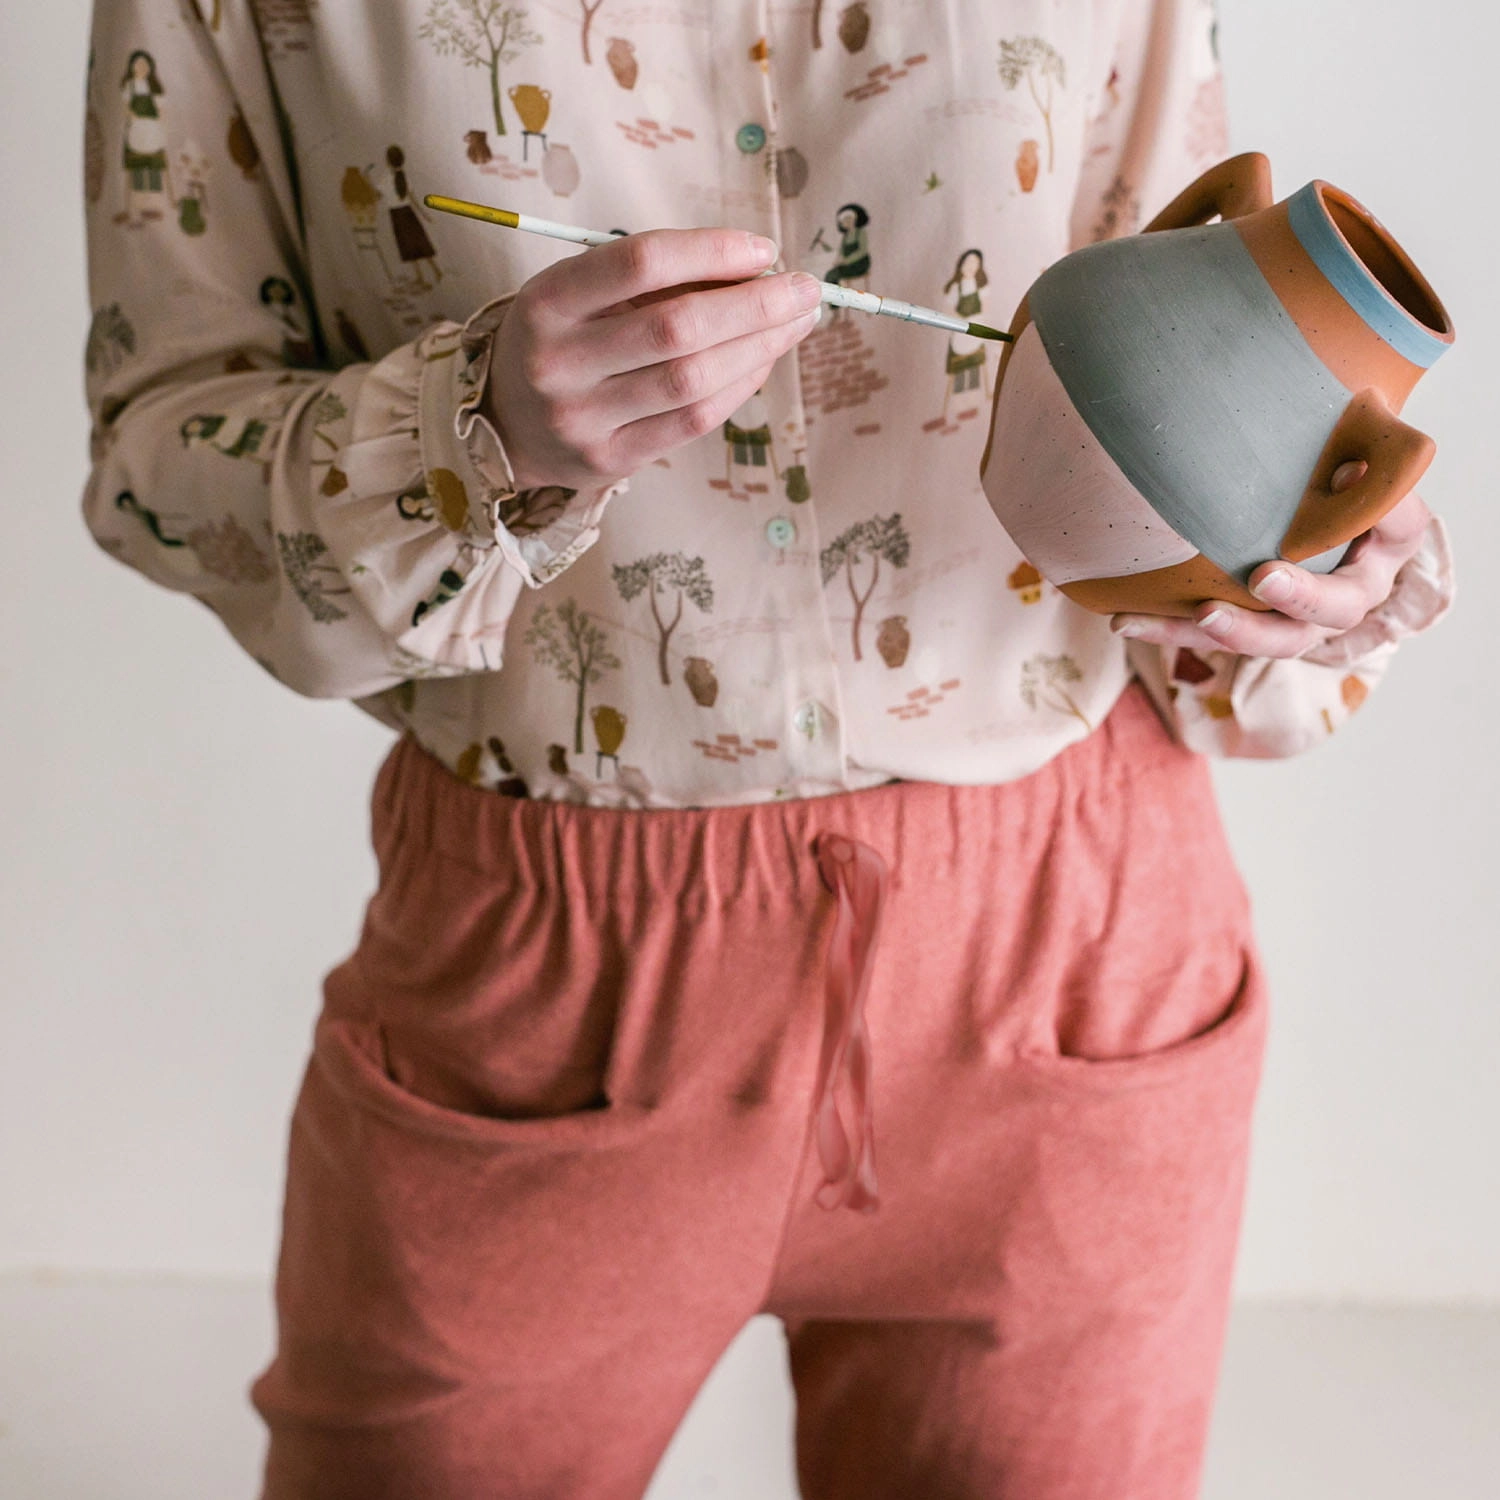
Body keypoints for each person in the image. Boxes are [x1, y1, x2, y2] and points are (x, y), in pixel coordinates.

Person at [79, 1, 1454, 1497]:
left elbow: (1203, 345)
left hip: (1080, 960)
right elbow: (161, 447)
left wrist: (1316, 564)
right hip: (543, 983)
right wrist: (467, 435)